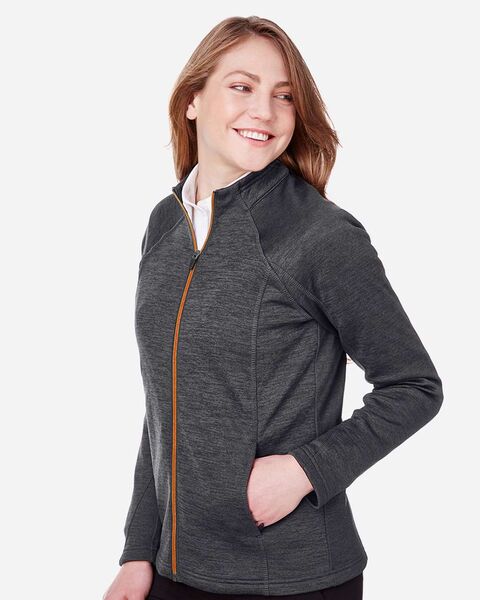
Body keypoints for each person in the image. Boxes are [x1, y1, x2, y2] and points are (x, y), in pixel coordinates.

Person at [103, 15, 443, 600]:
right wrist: (138, 551)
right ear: (192, 101)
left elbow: (414, 386)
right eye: (242, 86)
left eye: (284, 96)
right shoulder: (165, 224)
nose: (264, 110)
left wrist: (304, 470)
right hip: (175, 571)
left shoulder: (320, 235)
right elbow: (167, 401)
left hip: (292, 578)